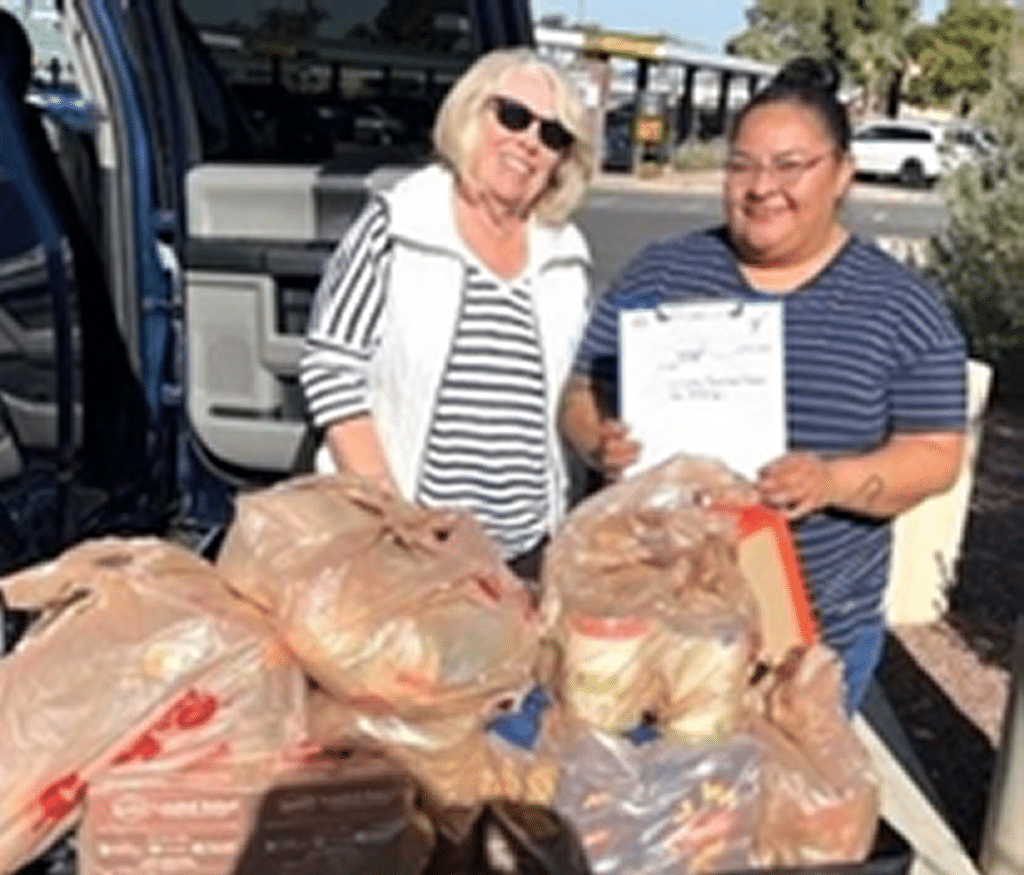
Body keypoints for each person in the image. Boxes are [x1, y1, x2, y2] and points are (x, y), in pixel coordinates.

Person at [559, 56, 967, 712]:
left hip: (809, 636)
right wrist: (597, 442)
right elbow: (581, 393)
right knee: (654, 800)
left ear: (841, 173)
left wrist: (829, 481)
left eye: (789, 165)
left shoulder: (902, 307)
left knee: (786, 808)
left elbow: (936, 453)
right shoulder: (660, 273)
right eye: (742, 165)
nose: (760, 187)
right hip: (659, 617)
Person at [299, 47, 595, 582]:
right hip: (402, 542)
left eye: (552, 136)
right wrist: (392, 512)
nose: (528, 141)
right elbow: (331, 369)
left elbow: (572, 392)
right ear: (470, 114)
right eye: (512, 116)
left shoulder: (565, 257)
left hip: (522, 553)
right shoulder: (398, 224)